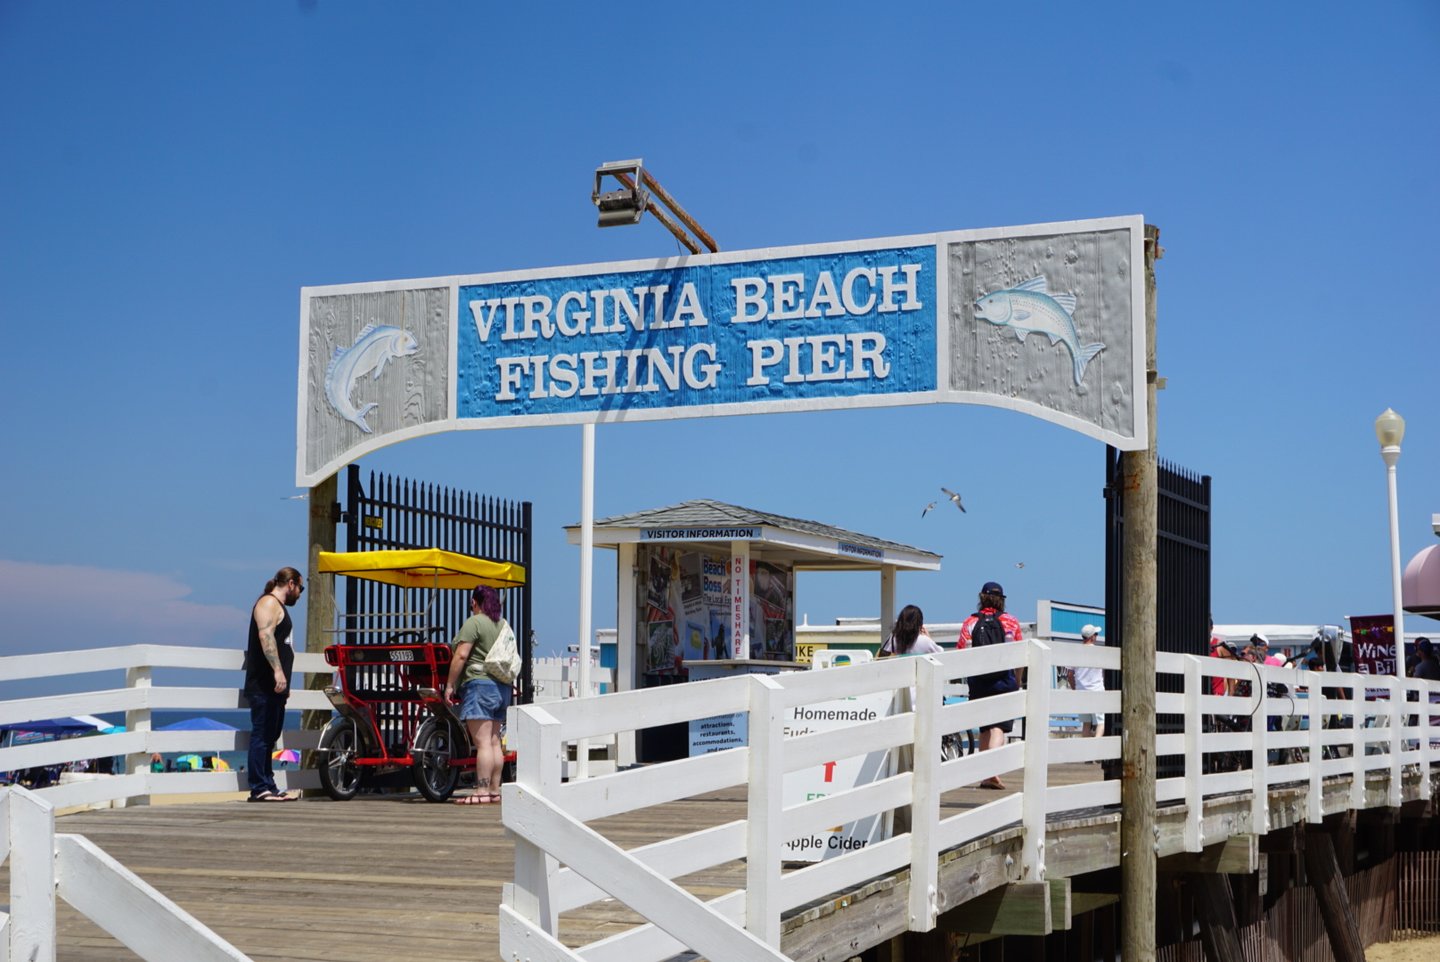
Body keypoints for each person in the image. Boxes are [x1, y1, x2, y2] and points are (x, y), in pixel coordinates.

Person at [444, 585, 512, 806]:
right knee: (493, 742)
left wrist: (450, 685)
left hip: (480, 685)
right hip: (501, 688)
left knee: (482, 742)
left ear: (474, 602)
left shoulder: (474, 622)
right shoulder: (502, 624)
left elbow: (462, 655)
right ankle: (494, 790)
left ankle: (481, 789)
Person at [243, 566, 303, 802]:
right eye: (300, 588)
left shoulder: (277, 607)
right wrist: (278, 671)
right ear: (291, 584)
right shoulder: (268, 603)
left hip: (276, 688)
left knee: (270, 735)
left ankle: (268, 784)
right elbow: (265, 637)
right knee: (262, 734)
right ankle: (259, 788)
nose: (299, 593)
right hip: (264, 685)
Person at [957, 581, 1024, 789]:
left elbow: (961, 653)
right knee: (998, 728)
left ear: (982, 598)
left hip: (978, 681)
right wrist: (1018, 680)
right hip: (1003, 680)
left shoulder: (970, 622)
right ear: (1001, 600)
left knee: (984, 728)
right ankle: (992, 771)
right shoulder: (1011, 622)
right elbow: (1020, 655)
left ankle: (984, 774)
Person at [1066, 624, 1106, 739]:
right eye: (1096, 634)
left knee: (1086, 725)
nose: (1097, 637)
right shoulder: (1099, 652)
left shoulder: (1075, 652)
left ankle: (1087, 754)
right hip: (1097, 691)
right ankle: (1095, 753)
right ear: (1092, 637)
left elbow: (1069, 675)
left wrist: (1075, 689)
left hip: (1082, 692)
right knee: (1101, 723)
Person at [878, 604, 943, 657]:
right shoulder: (926, 641)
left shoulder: (893, 639)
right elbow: (941, 654)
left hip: (897, 672)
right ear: (919, 624)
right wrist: (929, 638)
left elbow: (883, 655)